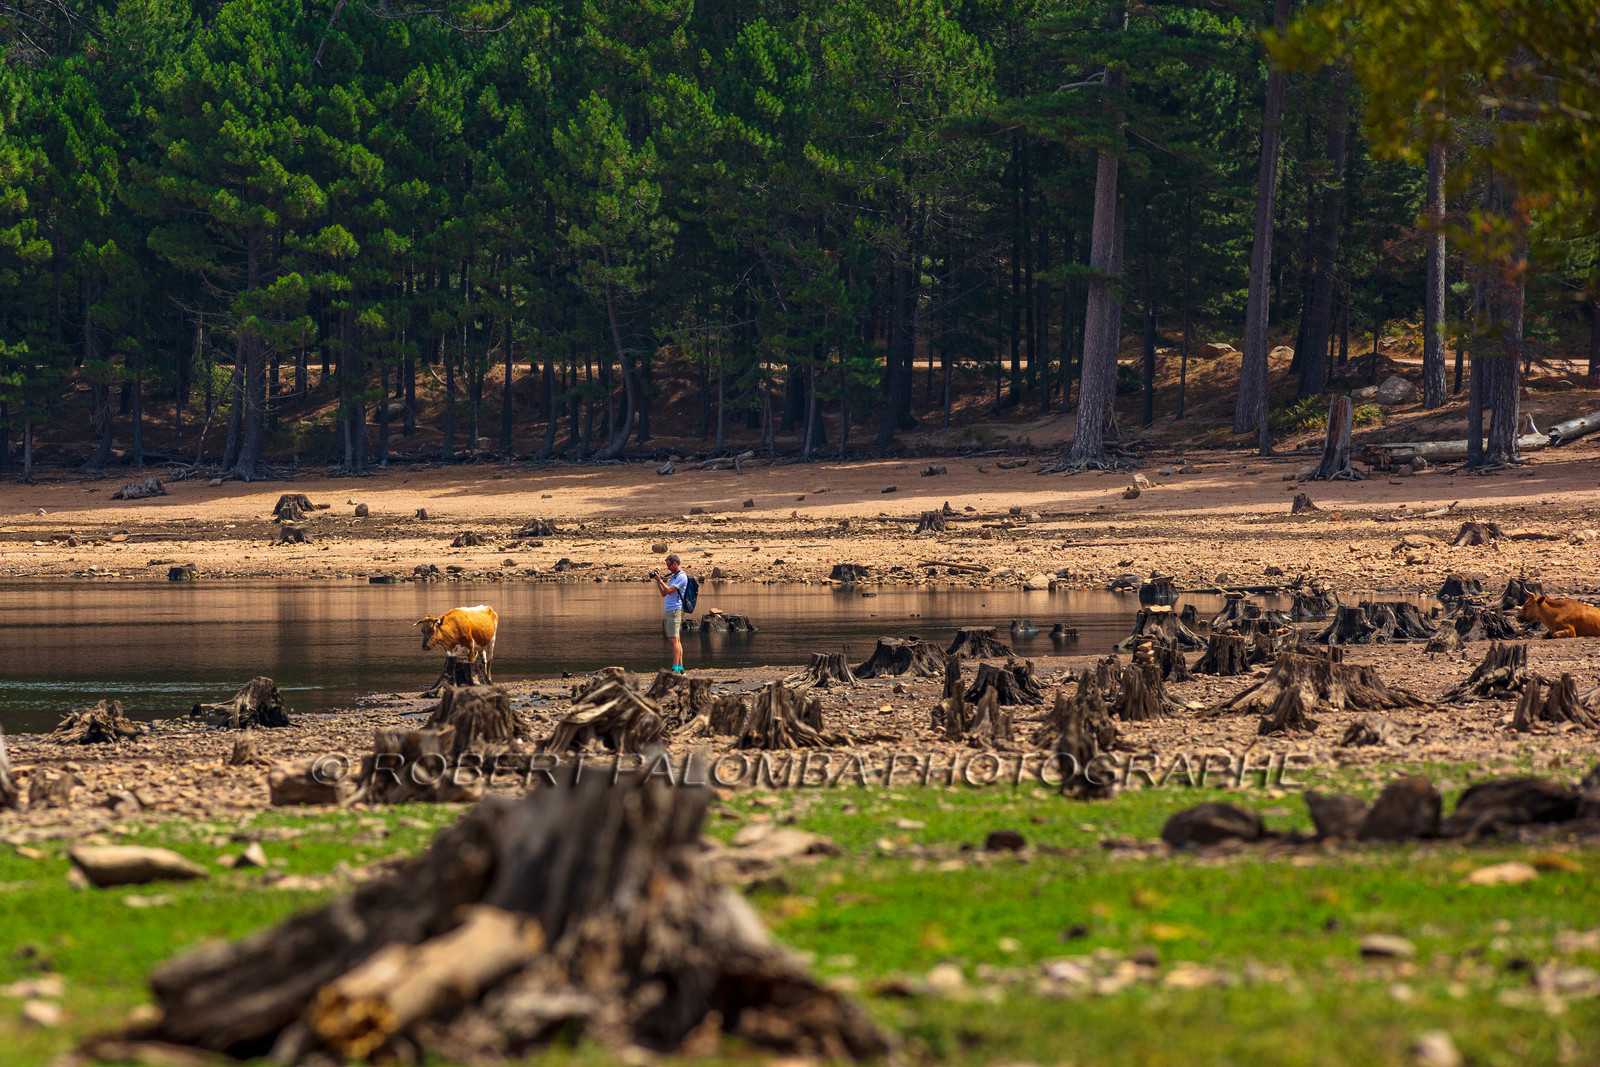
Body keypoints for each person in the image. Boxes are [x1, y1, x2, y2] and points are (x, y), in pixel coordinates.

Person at [651, 553, 689, 673]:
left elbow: (669, 590)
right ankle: (681, 668)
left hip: (675, 610)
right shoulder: (674, 576)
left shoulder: (681, 577)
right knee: (676, 639)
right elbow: (664, 593)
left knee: (673, 640)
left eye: (669, 566)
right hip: (670, 609)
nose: (668, 568)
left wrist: (661, 580)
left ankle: (675, 668)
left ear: (675, 564)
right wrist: (658, 581)